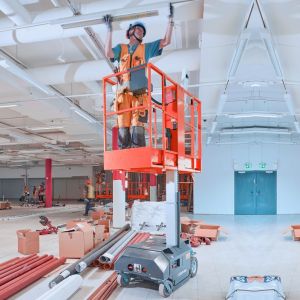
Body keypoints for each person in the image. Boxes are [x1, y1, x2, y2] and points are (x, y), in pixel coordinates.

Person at [104, 4, 174, 148]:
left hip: (140, 95)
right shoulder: (121, 48)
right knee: (123, 128)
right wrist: (109, 30)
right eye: (138, 29)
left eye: (142, 31)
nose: (141, 32)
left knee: (138, 129)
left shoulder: (146, 49)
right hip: (123, 95)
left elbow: (166, 41)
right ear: (130, 32)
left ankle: (138, 156)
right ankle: (125, 159)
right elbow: (108, 54)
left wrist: (170, 21)